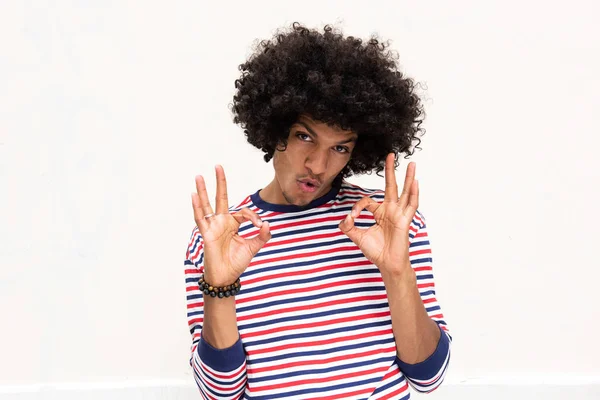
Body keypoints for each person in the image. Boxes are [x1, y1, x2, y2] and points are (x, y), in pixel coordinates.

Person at [184, 23, 451, 400]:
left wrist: (397, 271)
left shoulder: (384, 221)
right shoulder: (219, 237)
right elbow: (220, 393)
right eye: (304, 136)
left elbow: (428, 377)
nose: (318, 164)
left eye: (340, 148)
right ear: (275, 130)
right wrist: (221, 289)